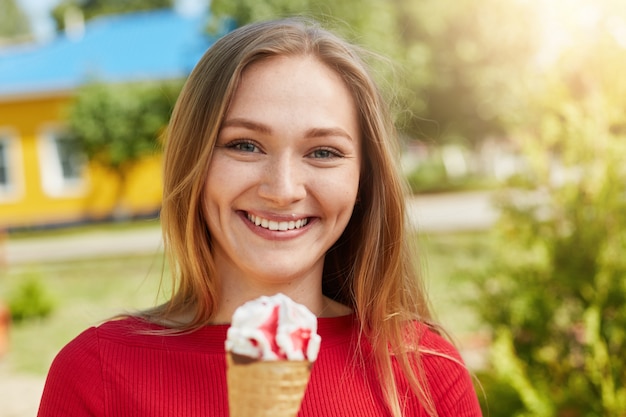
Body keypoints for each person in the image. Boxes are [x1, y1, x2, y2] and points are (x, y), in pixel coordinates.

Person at [38, 18, 482, 417]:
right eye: (245, 145)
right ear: (193, 160)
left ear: (364, 179)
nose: (283, 189)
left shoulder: (426, 373)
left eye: (323, 152)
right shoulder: (97, 374)